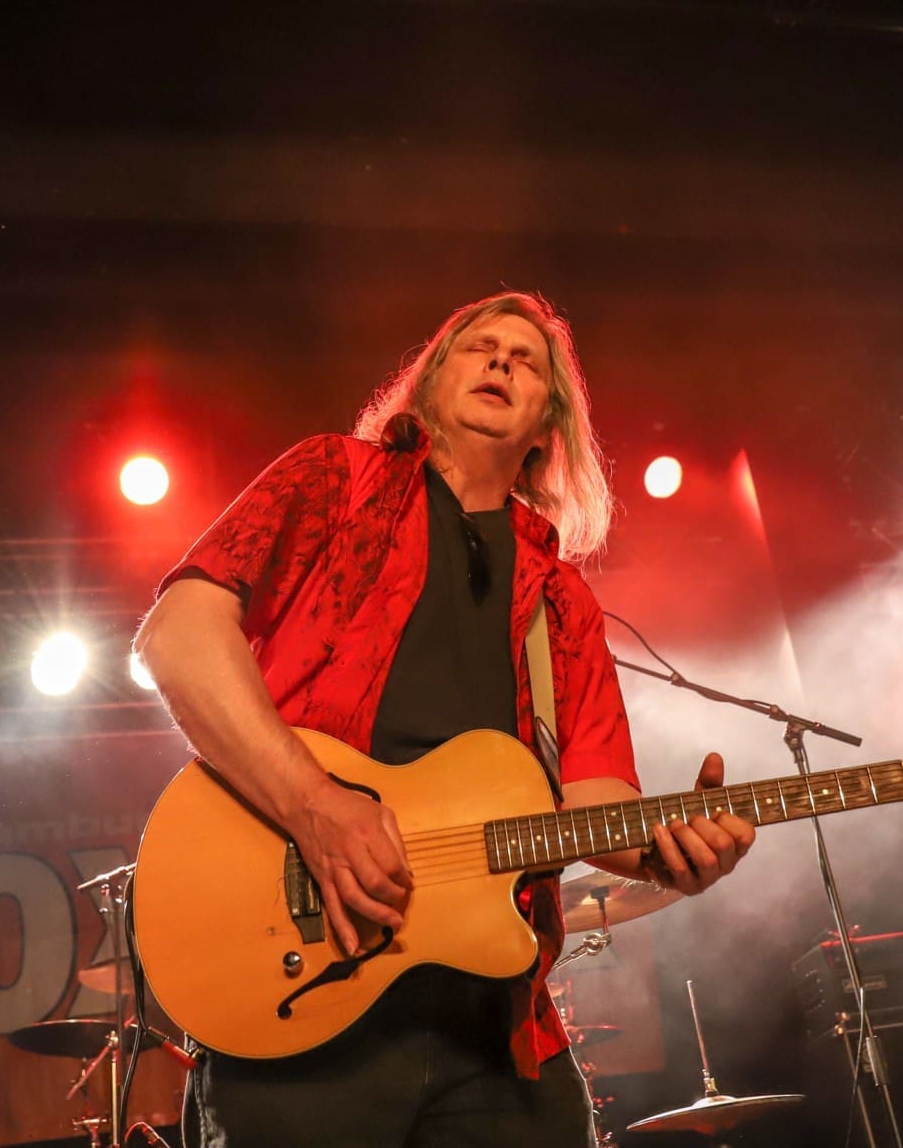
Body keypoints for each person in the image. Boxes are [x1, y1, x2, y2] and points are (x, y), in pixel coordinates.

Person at [134, 291, 755, 1147]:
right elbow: (177, 635)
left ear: (548, 426)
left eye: (527, 361)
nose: (502, 361)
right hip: (305, 999)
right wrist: (317, 807)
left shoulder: (563, 599)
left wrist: (670, 853)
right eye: (479, 346)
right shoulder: (334, 479)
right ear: (427, 384)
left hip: (493, 1025)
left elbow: (593, 798)